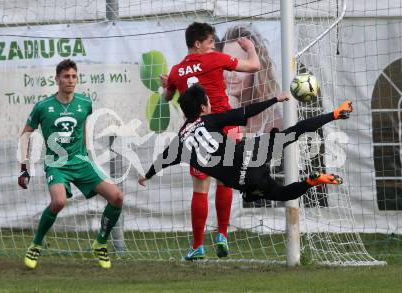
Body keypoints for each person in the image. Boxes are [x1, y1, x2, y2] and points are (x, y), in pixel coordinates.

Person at [139, 85, 352, 260]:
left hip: (245, 180)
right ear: (204, 107)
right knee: (293, 133)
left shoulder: (180, 142)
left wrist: (146, 176)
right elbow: (246, 112)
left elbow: (161, 161)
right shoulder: (210, 120)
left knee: (283, 194)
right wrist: (275, 100)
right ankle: (335, 113)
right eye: (208, 101)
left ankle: (310, 182)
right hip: (251, 153)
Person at [160, 22, 261, 260]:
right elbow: (255, 65)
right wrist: (250, 47)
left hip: (199, 130)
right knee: (225, 181)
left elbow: (167, 96)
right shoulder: (214, 58)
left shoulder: (175, 71)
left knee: (201, 188)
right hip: (226, 125)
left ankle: (197, 247)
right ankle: (222, 235)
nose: (213, 45)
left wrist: (167, 85)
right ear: (198, 44)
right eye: (210, 42)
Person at [18, 59, 123, 269]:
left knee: (117, 197)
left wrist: (87, 153)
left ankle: (100, 243)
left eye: (74, 76)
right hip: (56, 164)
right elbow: (25, 136)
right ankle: (36, 245)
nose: (71, 80)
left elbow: (83, 128)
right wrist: (23, 168)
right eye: (66, 76)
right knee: (58, 202)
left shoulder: (85, 103)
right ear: (57, 79)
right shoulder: (43, 106)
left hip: (81, 162)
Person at [220, 25, 282, 135]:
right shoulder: (208, 109)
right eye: (226, 65)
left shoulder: (273, 117)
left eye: (240, 65)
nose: (231, 74)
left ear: (257, 69)